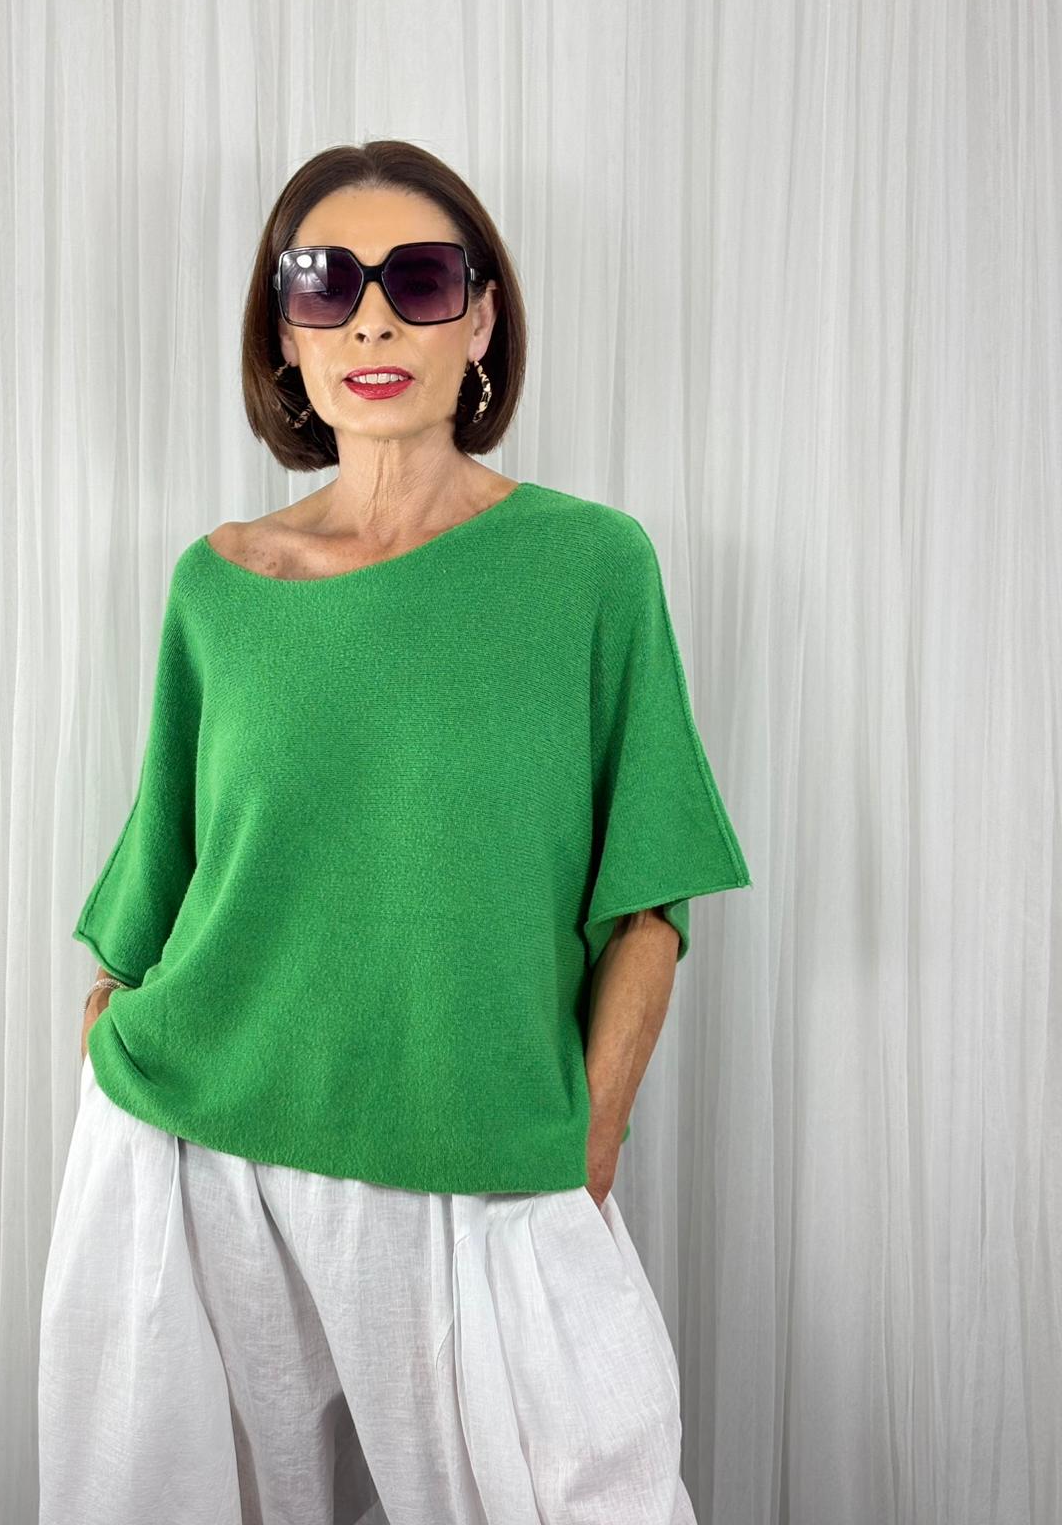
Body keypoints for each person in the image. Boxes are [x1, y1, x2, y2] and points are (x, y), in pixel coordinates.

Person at [37, 139, 751, 1525]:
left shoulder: (591, 566)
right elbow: (161, 877)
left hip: (487, 1160)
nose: (372, 320)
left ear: (480, 320)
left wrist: (585, 1149)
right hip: (207, 1159)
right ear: (285, 335)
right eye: (326, 284)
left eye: (419, 280)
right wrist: (115, 1035)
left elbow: (650, 902)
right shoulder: (218, 585)